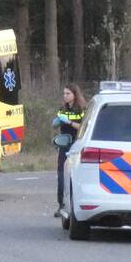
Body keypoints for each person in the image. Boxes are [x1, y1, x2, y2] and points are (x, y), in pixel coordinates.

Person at [53, 84, 86, 218]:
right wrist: (56, 122)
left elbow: (83, 127)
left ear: (74, 95)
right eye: (64, 93)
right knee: (61, 175)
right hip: (64, 144)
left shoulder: (82, 109)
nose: (65, 96)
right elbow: (56, 123)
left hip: (76, 144)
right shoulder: (62, 109)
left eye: (68, 93)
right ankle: (61, 205)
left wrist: (70, 122)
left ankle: (75, 204)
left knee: (75, 175)